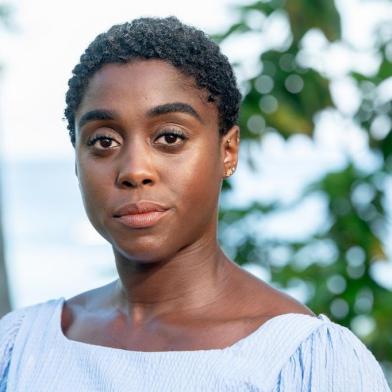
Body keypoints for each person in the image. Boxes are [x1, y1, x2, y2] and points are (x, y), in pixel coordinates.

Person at [0, 16, 390, 392]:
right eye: (104, 141)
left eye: (169, 137)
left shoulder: (304, 364)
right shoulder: (21, 349)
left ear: (228, 151)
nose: (135, 170)